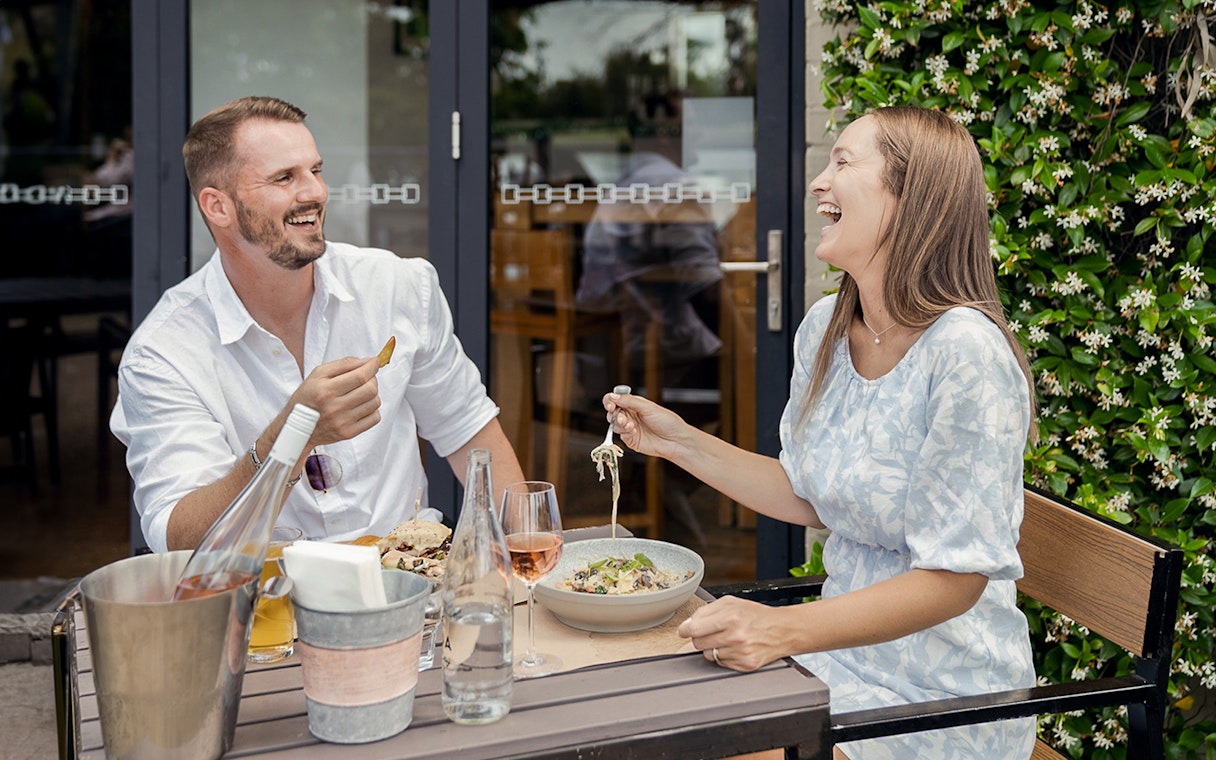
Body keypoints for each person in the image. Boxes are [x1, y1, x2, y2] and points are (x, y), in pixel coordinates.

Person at [603, 105, 1037, 759]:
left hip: (939, 697)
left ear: (909, 194)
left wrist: (782, 630)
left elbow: (957, 576)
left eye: (843, 161)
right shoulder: (826, 328)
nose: (817, 183)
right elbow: (808, 492)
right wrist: (678, 441)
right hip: (831, 664)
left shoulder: (966, 353)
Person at [112, 96, 525, 553]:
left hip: (410, 583)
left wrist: (528, 564)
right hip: (265, 603)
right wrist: (291, 437)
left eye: (316, 170)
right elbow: (181, 537)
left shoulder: (396, 285)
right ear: (218, 207)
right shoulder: (164, 352)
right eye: (284, 177)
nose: (314, 192)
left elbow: (469, 432)